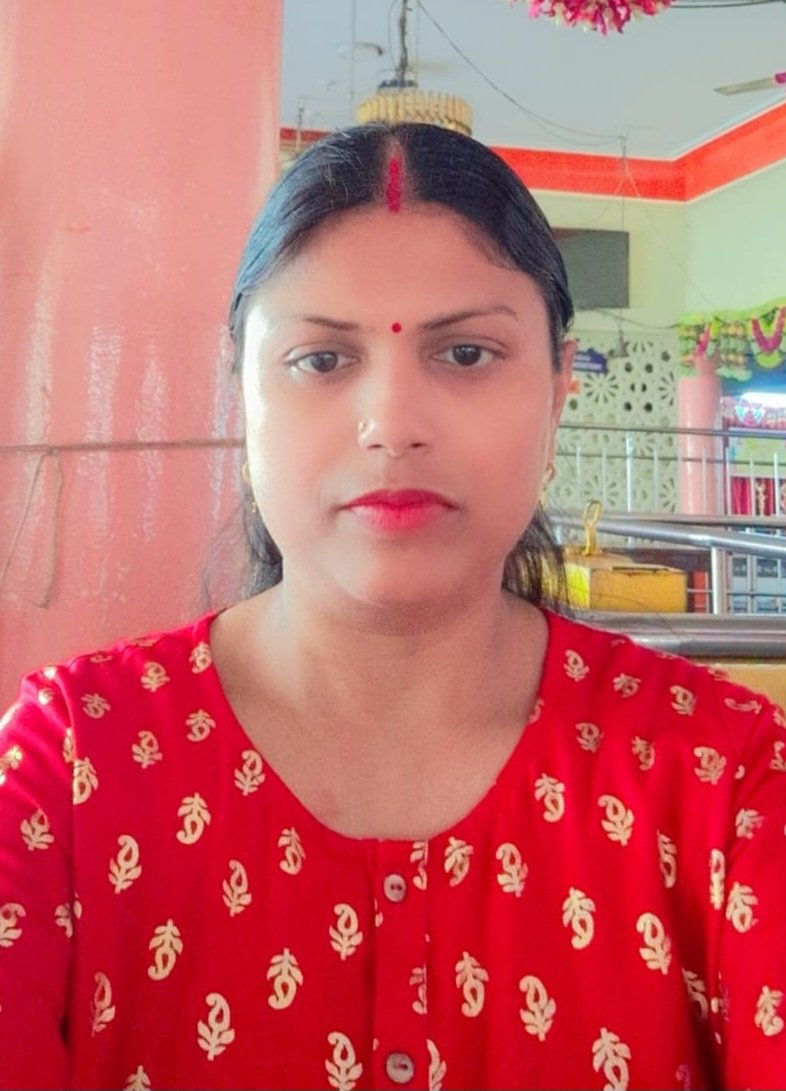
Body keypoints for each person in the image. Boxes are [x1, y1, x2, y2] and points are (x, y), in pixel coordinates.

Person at [0, 122, 784, 1091]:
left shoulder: (724, 777)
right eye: (322, 360)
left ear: (557, 390)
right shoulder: (70, 766)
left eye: (467, 352)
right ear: (239, 392)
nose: (393, 426)